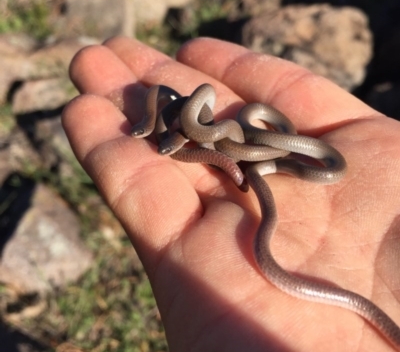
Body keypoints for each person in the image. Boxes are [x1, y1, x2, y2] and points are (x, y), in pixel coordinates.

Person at [63, 36, 400, 352]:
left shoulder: (227, 133)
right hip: (235, 143)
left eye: (150, 133)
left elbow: (233, 143)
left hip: (246, 144)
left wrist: (231, 154)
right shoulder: (199, 128)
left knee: (259, 159)